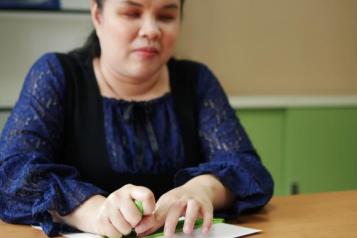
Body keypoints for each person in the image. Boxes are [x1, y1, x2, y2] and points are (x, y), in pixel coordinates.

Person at [0, 0, 274, 237]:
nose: (151, 30)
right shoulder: (56, 75)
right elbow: (11, 174)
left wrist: (202, 189)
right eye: (132, 13)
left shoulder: (196, 80)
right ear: (97, 15)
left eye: (166, 16)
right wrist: (93, 211)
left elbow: (249, 169)